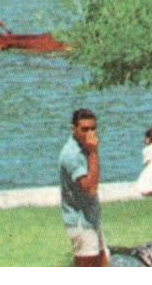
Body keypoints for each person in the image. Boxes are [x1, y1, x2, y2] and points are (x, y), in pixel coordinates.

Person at [59, 108, 105, 267]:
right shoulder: (72, 154)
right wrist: (93, 152)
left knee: (102, 263)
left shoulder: (84, 148)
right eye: (84, 129)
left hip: (90, 218)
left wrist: (91, 151)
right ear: (74, 129)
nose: (90, 133)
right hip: (80, 222)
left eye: (93, 128)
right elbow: (91, 189)